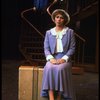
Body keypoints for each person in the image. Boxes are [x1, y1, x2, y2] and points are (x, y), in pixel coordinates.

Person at [41, 9, 76, 100]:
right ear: (54, 19)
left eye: (61, 18)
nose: (59, 19)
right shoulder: (49, 33)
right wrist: (50, 58)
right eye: (57, 17)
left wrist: (64, 59)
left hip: (64, 58)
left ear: (64, 20)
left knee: (61, 69)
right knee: (48, 67)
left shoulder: (70, 32)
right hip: (53, 57)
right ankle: (51, 96)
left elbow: (72, 48)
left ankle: (60, 95)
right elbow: (46, 48)